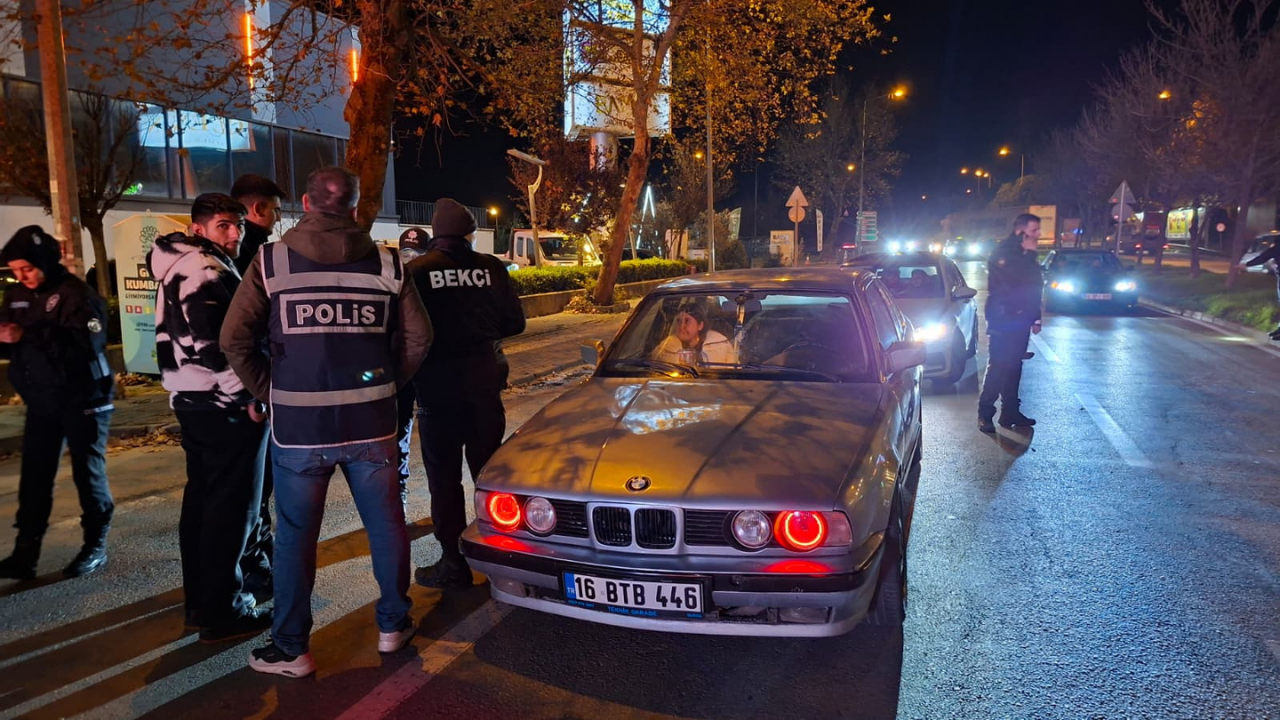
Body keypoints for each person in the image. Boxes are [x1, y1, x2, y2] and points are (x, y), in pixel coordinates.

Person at [222, 167, 433, 677]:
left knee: (295, 535)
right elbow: (419, 339)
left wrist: (272, 391)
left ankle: (292, 647)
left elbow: (234, 340)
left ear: (305, 201)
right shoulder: (387, 264)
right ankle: (391, 627)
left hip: (299, 431)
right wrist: (385, 383)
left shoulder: (270, 261)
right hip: (372, 424)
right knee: (385, 524)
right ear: (358, 205)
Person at [148, 193, 272, 642]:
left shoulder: (177, 264)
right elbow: (214, 344)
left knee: (202, 507)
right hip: (225, 408)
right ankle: (224, 611)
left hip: (193, 402)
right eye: (224, 225)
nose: (235, 233)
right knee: (231, 511)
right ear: (198, 228)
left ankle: (202, 605)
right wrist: (250, 396)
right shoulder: (205, 268)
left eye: (238, 224)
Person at [406, 198, 525, 589]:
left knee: (443, 478)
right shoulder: (491, 268)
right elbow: (515, 322)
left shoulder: (417, 271)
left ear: (436, 234)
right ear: (470, 234)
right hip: (483, 383)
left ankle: (453, 561)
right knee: (488, 472)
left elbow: (406, 332)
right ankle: (502, 551)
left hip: (437, 389)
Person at [0, 226, 115, 580]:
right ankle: (25, 553)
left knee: (87, 472)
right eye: (16, 271)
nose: (23, 277)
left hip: (85, 399)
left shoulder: (77, 295)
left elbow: (85, 346)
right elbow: (12, 343)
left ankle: (94, 546)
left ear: (44, 261)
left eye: (28, 268)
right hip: (43, 401)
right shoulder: (18, 295)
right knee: (34, 476)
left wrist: (28, 335)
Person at [229, 174, 288, 596]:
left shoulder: (230, 254)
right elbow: (246, 334)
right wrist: (262, 391)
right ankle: (256, 569)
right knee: (254, 487)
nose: (278, 217)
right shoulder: (257, 257)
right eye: (275, 208)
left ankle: (257, 561)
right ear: (258, 210)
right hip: (252, 392)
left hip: (230, 390)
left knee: (250, 487)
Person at [978, 214, 1044, 433]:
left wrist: (1035, 316)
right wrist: (1028, 255)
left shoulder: (1027, 254)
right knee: (998, 365)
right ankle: (985, 414)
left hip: (1021, 319)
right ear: (1021, 231)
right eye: (1034, 231)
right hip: (1002, 317)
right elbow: (1011, 282)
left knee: (1014, 365)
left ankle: (1010, 412)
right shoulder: (1003, 253)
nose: (1038, 235)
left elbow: (1034, 286)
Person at [393, 227, 431, 515]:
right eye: (406, 253)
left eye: (415, 254)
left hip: (427, 372)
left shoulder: (429, 282)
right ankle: (398, 492)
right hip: (403, 375)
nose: (409, 259)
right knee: (399, 436)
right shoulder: (391, 281)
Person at [653, 301, 736, 365]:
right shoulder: (664, 349)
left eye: (687, 321)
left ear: (700, 325)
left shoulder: (720, 346)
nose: (682, 326)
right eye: (678, 321)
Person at [1243, 239, 1280, 340]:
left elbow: (1263, 257)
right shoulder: (1277, 246)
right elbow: (1265, 256)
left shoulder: (1277, 246)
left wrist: (1246, 264)